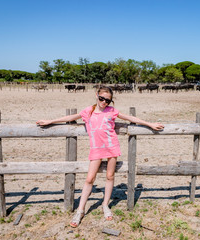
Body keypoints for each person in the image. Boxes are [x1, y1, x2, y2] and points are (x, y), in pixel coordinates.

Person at [36, 85, 164, 227]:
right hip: (96, 149)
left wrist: (150, 124)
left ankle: (105, 205)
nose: (104, 102)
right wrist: (50, 121)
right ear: (96, 95)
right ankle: (80, 210)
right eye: (102, 98)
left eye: (107, 100)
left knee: (110, 176)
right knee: (90, 178)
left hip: (111, 147)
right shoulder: (88, 111)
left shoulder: (112, 111)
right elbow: (72, 117)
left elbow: (130, 118)